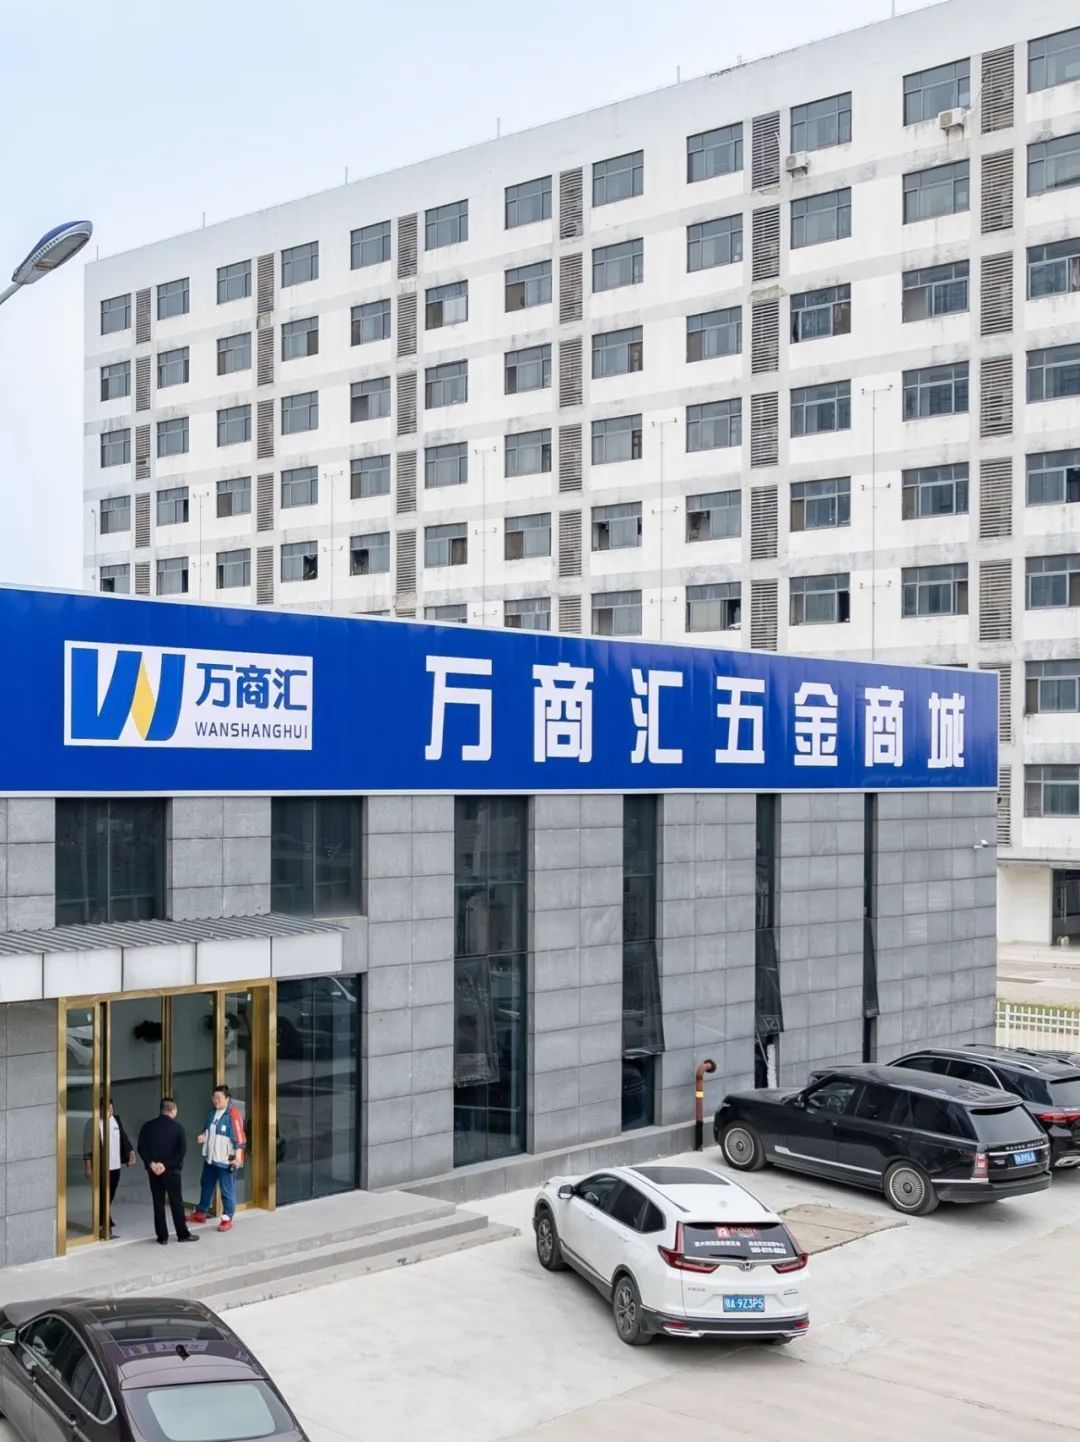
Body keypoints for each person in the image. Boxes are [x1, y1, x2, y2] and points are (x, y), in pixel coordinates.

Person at [136, 1098, 199, 1246]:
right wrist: (166, 1165)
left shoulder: (148, 1126)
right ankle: (182, 1234)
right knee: (176, 1203)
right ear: (172, 1110)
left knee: (158, 1203)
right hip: (172, 1172)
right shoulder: (178, 1128)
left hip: (154, 1172)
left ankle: (162, 1237)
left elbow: (141, 1148)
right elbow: (181, 1152)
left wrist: (152, 1164)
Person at [191, 1084, 246, 1232]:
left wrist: (237, 1159)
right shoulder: (212, 1113)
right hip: (210, 1160)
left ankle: (227, 1219)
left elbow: (240, 1140)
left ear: (227, 1098)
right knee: (206, 1186)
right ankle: (201, 1213)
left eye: (219, 1098)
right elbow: (207, 1131)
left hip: (225, 1162)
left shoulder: (233, 1115)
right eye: (214, 1098)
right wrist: (203, 1136)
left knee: (227, 1192)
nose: (216, 1101)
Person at [82, 1099, 137, 1238]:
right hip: (101, 1166)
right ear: (99, 1109)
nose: (110, 1112)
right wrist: (88, 1167)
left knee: (110, 1193)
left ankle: (104, 1217)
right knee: (103, 1194)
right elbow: (87, 1146)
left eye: (111, 1109)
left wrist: (131, 1152)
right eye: (107, 1110)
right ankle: (105, 1225)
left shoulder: (116, 1120)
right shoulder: (92, 1123)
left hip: (115, 1165)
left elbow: (124, 1138)